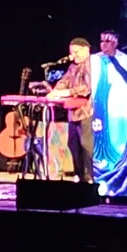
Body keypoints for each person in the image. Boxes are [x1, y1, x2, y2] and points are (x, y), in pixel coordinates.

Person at [47, 37, 94, 183]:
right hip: (73, 113)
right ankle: (80, 177)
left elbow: (87, 88)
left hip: (87, 113)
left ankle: (90, 178)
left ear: (86, 50)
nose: (73, 55)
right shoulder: (73, 67)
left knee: (87, 146)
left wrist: (66, 92)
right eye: (71, 52)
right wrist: (55, 91)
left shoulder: (91, 64)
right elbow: (64, 82)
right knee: (73, 145)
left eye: (76, 52)